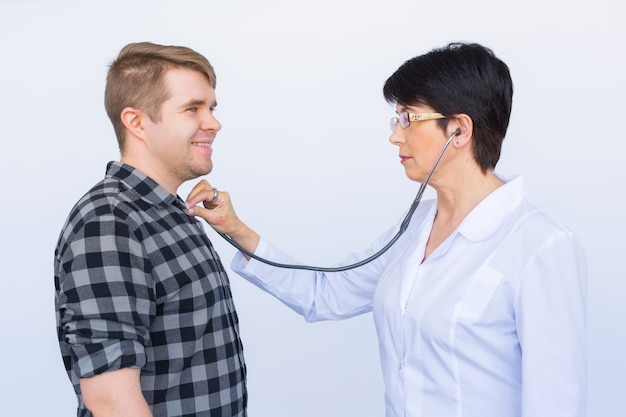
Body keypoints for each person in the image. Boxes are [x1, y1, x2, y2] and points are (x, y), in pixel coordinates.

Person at [186, 42, 587, 417]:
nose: (395, 134)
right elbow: (324, 295)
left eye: (408, 118)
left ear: (459, 131)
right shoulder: (415, 226)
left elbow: (555, 403)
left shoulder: (541, 246)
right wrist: (236, 229)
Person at [54, 42, 247, 417]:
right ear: (136, 122)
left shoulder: (168, 211)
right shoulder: (109, 223)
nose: (213, 123)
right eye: (193, 108)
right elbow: (112, 401)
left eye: (211, 107)